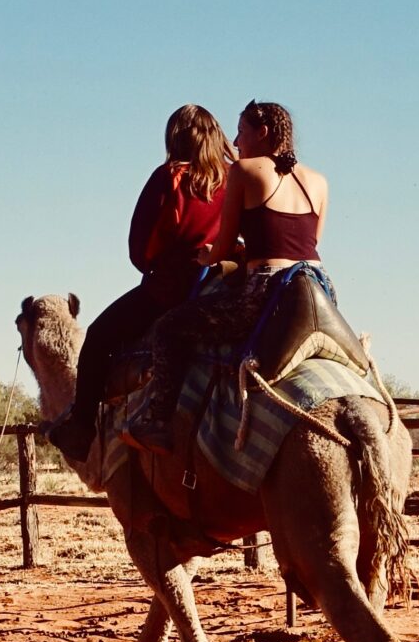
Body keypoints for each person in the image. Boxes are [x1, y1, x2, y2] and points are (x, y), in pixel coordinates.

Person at [122, 99, 327, 452]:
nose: (234, 142)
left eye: (242, 132)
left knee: (170, 327)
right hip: (318, 288)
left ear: (262, 133)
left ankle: (157, 420)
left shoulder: (244, 172)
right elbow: (308, 243)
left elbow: (224, 243)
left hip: (266, 289)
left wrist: (212, 255)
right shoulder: (318, 180)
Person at [42, 104, 236, 463]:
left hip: (173, 287)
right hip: (227, 285)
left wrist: (156, 264)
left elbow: (140, 249)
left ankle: (82, 427)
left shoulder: (169, 178)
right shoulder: (235, 178)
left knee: (98, 337)